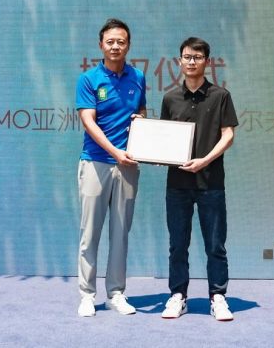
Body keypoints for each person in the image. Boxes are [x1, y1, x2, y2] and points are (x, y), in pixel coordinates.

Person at [159, 37, 238, 321]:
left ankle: (218, 297)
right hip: (177, 185)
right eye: (187, 57)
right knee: (177, 245)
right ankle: (178, 296)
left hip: (211, 183)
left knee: (215, 245)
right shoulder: (170, 98)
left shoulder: (220, 96)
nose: (191, 62)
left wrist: (204, 160)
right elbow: (164, 138)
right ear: (179, 61)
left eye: (197, 57)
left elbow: (228, 135)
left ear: (207, 61)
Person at [76, 18, 146, 318]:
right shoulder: (89, 79)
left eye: (121, 41)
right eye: (110, 41)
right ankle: (87, 295)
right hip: (96, 162)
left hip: (128, 165)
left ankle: (116, 293)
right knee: (90, 233)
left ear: (128, 45)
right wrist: (115, 151)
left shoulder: (138, 77)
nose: (116, 46)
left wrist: (142, 126)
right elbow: (88, 121)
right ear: (101, 45)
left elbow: (140, 112)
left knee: (120, 233)